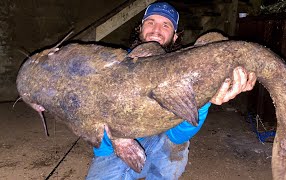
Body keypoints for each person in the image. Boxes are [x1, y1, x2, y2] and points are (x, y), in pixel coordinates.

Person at [86, 2, 256, 179]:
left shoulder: (184, 71)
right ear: (140, 29)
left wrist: (202, 101)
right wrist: (119, 142)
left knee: (174, 152)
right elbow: (95, 126)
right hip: (113, 149)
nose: (156, 30)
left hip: (160, 142)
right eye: (150, 22)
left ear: (175, 36)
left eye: (165, 25)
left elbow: (176, 137)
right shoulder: (114, 66)